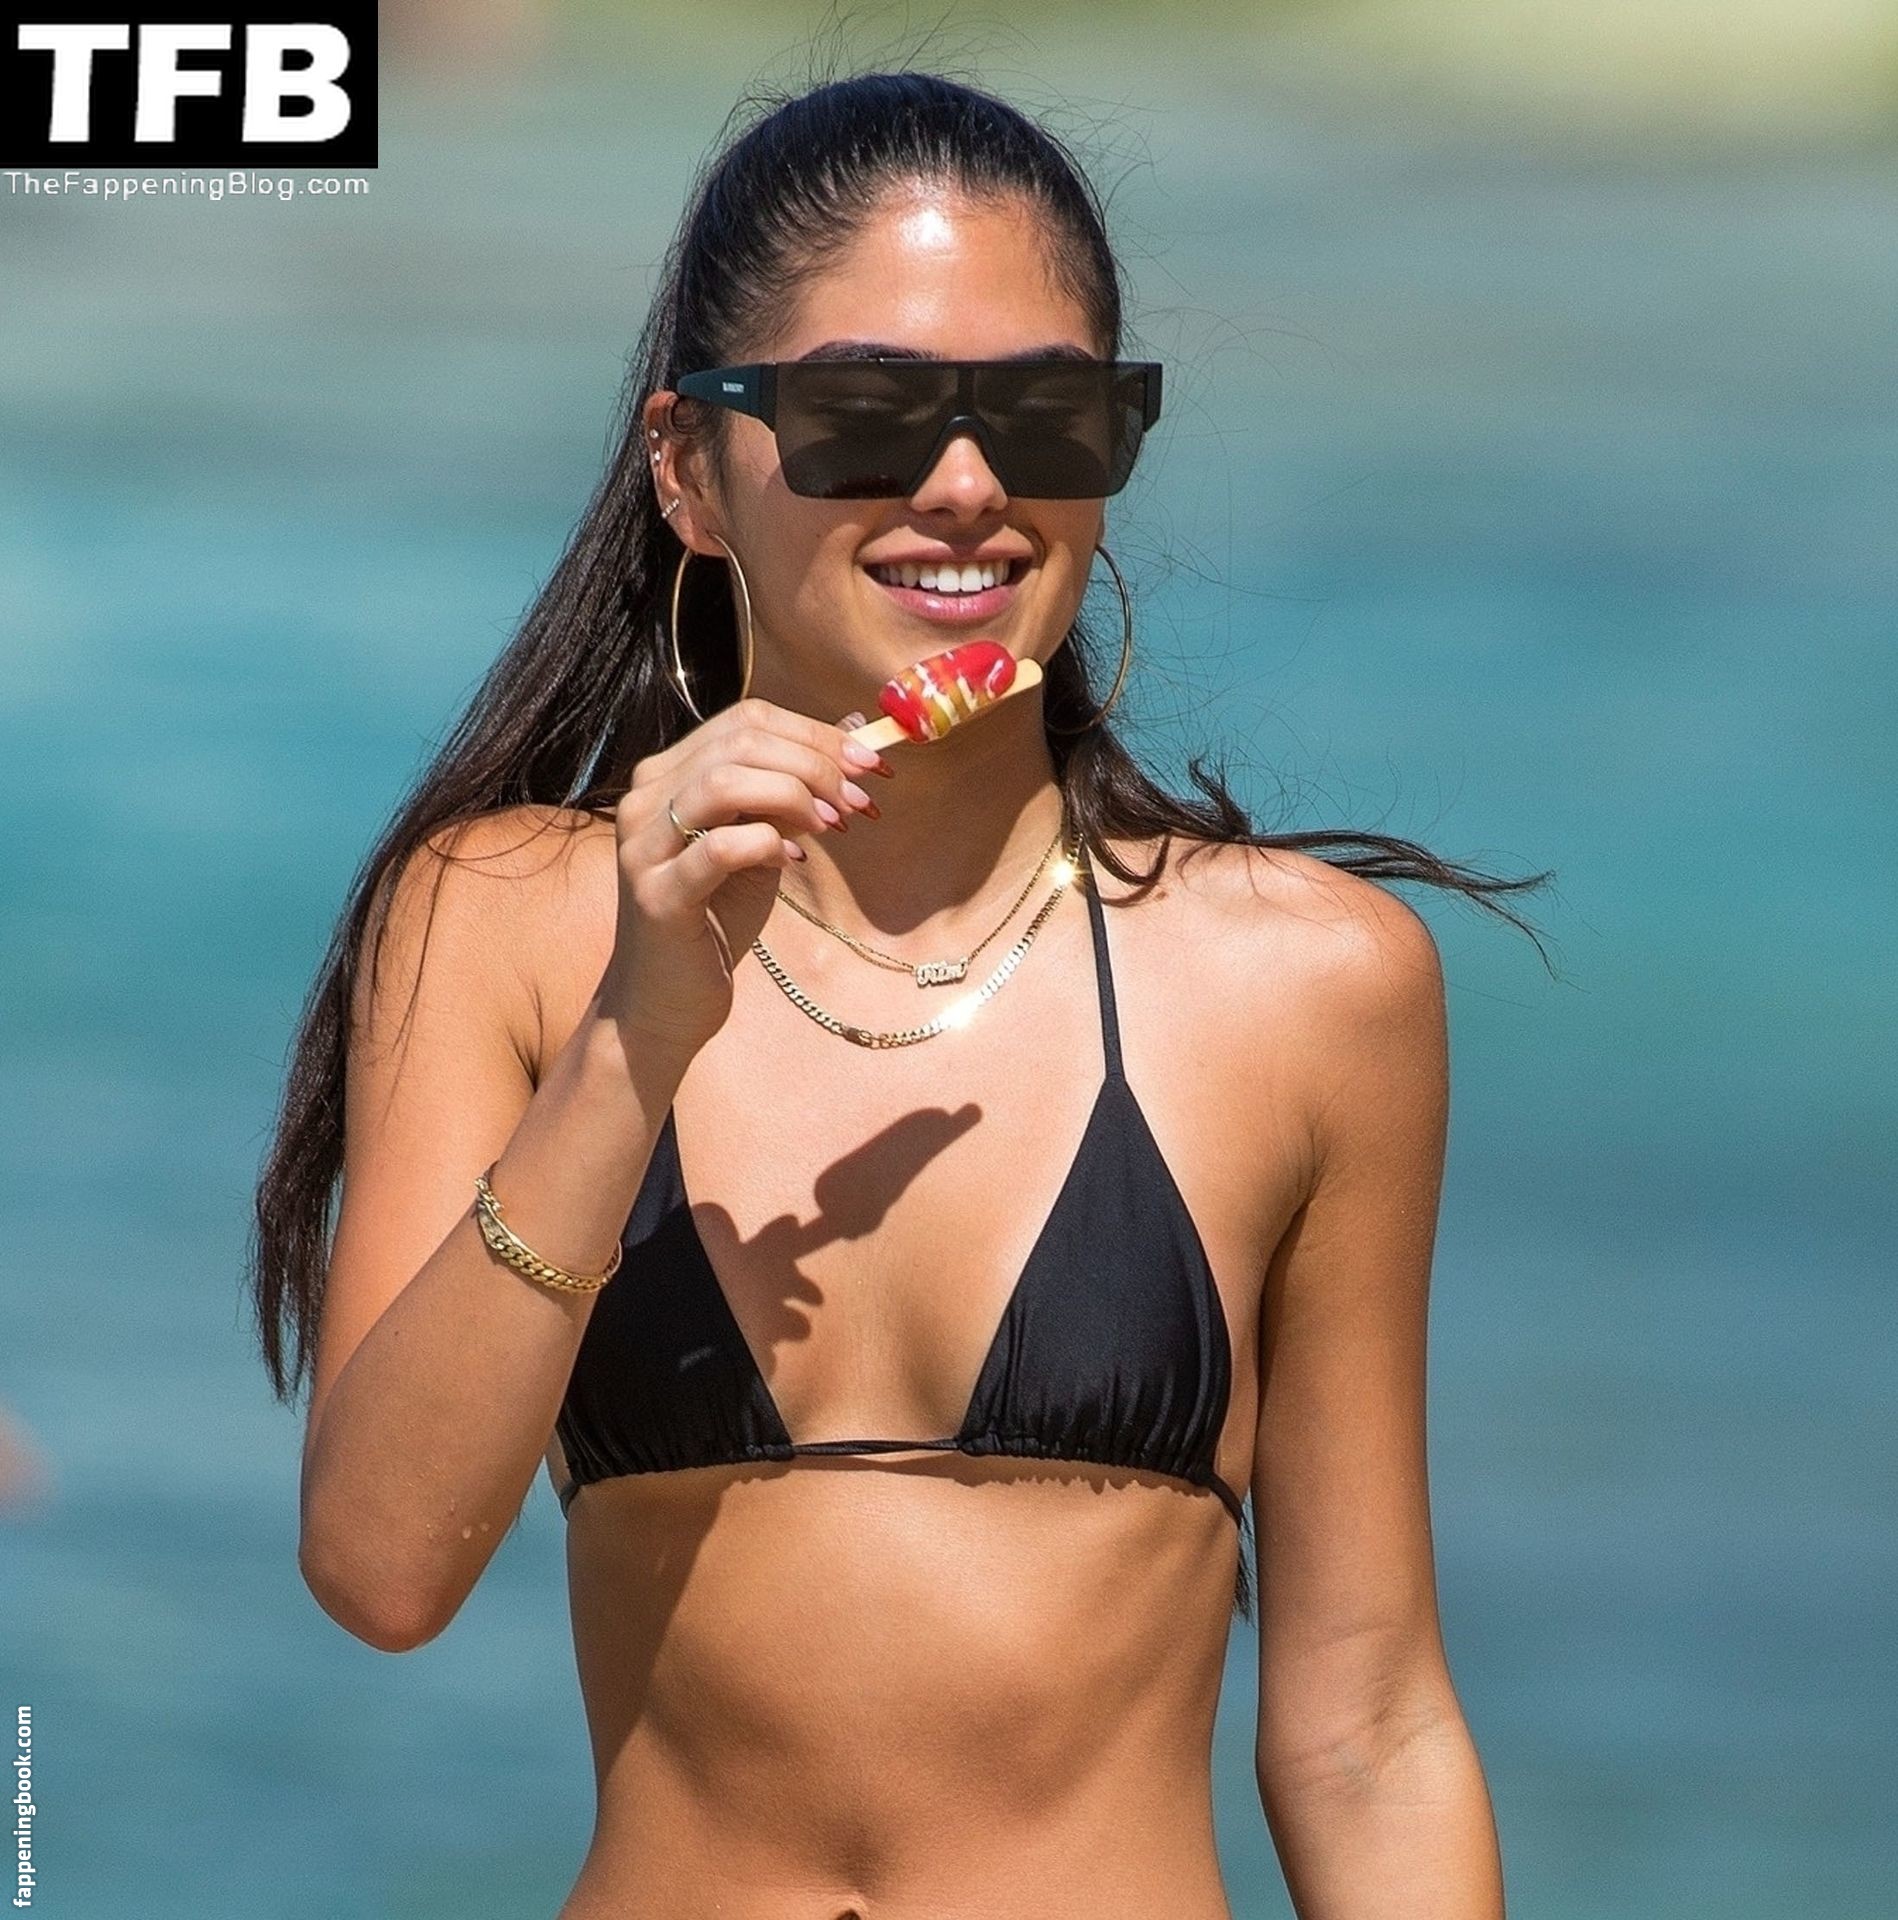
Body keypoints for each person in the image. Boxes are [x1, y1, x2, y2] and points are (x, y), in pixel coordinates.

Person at [252, 68, 1542, 1920]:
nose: (964, 485)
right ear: (690, 469)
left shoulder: (1303, 983)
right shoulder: (507, 916)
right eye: (865, 414)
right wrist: (633, 1040)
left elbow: (1366, 1727)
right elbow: (382, 1569)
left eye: (1045, 414)